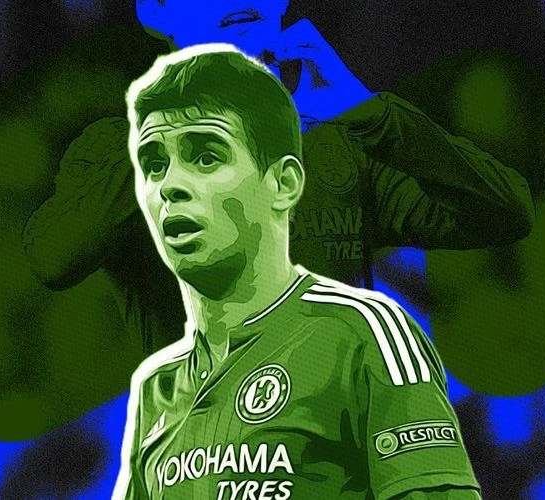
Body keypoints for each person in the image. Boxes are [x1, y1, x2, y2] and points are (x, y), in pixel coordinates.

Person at [113, 43, 481, 500]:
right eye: (154, 164)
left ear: (283, 183)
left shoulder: (362, 334)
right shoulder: (155, 390)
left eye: (206, 157)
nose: (170, 185)